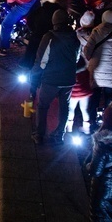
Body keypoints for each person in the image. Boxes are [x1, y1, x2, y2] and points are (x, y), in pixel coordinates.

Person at [31, 9, 81, 145]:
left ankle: (39, 135)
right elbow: (76, 59)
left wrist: (33, 79)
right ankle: (59, 135)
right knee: (65, 106)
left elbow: (41, 62)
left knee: (43, 106)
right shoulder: (75, 38)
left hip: (51, 80)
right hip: (69, 80)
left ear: (54, 22)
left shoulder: (49, 37)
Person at [84, 9, 112, 116]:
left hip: (96, 71)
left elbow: (87, 52)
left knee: (95, 97)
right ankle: (108, 120)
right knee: (109, 97)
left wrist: (90, 61)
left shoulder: (96, 32)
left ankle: (92, 121)